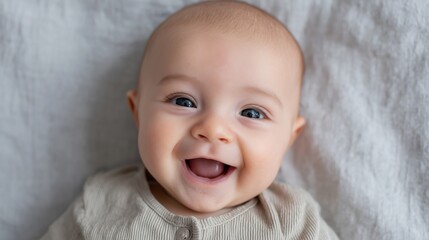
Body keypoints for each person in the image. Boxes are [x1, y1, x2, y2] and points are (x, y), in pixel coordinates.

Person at [42, 1, 338, 239]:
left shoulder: (292, 221)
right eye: (184, 101)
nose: (213, 129)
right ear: (138, 111)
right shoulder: (101, 204)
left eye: (251, 113)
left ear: (289, 137)